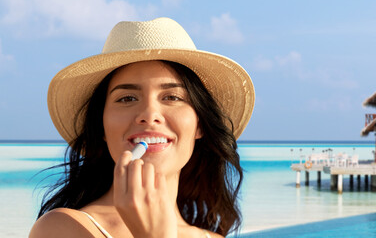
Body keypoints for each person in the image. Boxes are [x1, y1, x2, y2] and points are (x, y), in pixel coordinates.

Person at [29, 17, 254, 238]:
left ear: (200, 124)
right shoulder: (61, 229)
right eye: (127, 98)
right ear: (101, 127)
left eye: (172, 97)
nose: (149, 114)